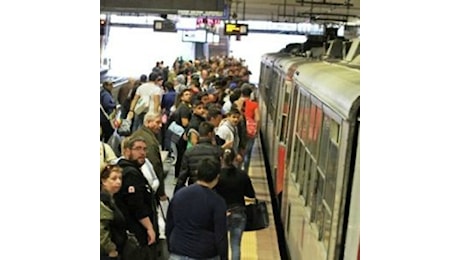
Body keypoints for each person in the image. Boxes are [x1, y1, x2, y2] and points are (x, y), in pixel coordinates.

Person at [166, 158, 228, 260]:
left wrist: (171, 246)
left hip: (177, 251)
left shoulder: (179, 194)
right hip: (204, 253)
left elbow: (170, 225)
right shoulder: (217, 201)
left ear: (198, 173)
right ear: (217, 177)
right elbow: (220, 236)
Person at [114, 137, 160, 260]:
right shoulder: (130, 173)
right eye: (138, 149)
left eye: (144, 149)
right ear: (127, 151)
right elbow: (137, 205)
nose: (142, 153)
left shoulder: (128, 170)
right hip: (136, 233)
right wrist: (149, 228)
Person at [214, 149, 256, 260]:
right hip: (239, 212)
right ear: (234, 159)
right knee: (235, 244)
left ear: (221, 159)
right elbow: (251, 194)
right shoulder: (242, 175)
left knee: (220, 245)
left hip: (221, 214)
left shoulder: (217, 176)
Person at [174, 121, 222, 193]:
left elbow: (182, 176)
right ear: (210, 134)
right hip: (212, 190)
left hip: (194, 189)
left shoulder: (189, 152)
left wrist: (177, 193)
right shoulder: (217, 151)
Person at [100, 164, 126, 260]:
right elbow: (100, 229)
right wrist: (111, 249)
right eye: (114, 179)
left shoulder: (112, 199)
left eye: (120, 178)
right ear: (104, 181)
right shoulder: (103, 200)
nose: (118, 182)